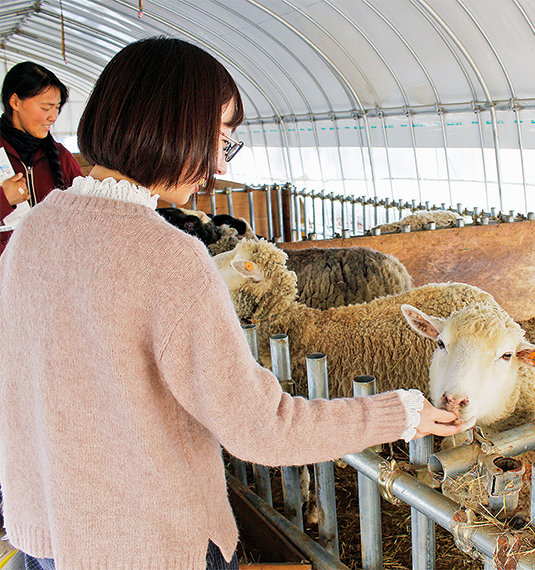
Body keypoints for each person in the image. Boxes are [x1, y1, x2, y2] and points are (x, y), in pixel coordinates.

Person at [0, 37, 460, 570]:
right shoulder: (167, 256)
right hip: (148, 546)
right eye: (219, 136)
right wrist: (401, 413)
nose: (218, 161)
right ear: (173, 126)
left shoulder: (31, 231)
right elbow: (263, 428)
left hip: (47, 537)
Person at [0, 61, 82, 222]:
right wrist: (4, 199)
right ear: (15, 102)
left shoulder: (61, 156)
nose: (54, 116)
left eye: (57, 107)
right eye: (46, 108)